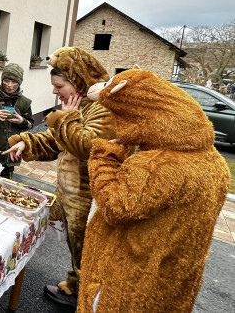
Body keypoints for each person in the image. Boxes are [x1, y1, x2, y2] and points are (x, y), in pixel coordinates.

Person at [78, 69, 229, 312]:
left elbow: (115, 207)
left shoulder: (154, 164)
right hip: (171, 284)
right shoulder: (214, 162)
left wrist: (105, 157)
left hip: (123, 285)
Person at [3, 47, 115, 308]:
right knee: (77, 248)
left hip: (89, 197)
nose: (55, 91)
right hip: (70, 192)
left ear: (77, 81)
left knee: (89, 252)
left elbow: (88, 146)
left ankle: (86, 299)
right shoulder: (78, 106)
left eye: (59, 85)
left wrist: (66, 118)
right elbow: (57, 141)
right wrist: (26, 143)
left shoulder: (103, 110)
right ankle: (76, 287)